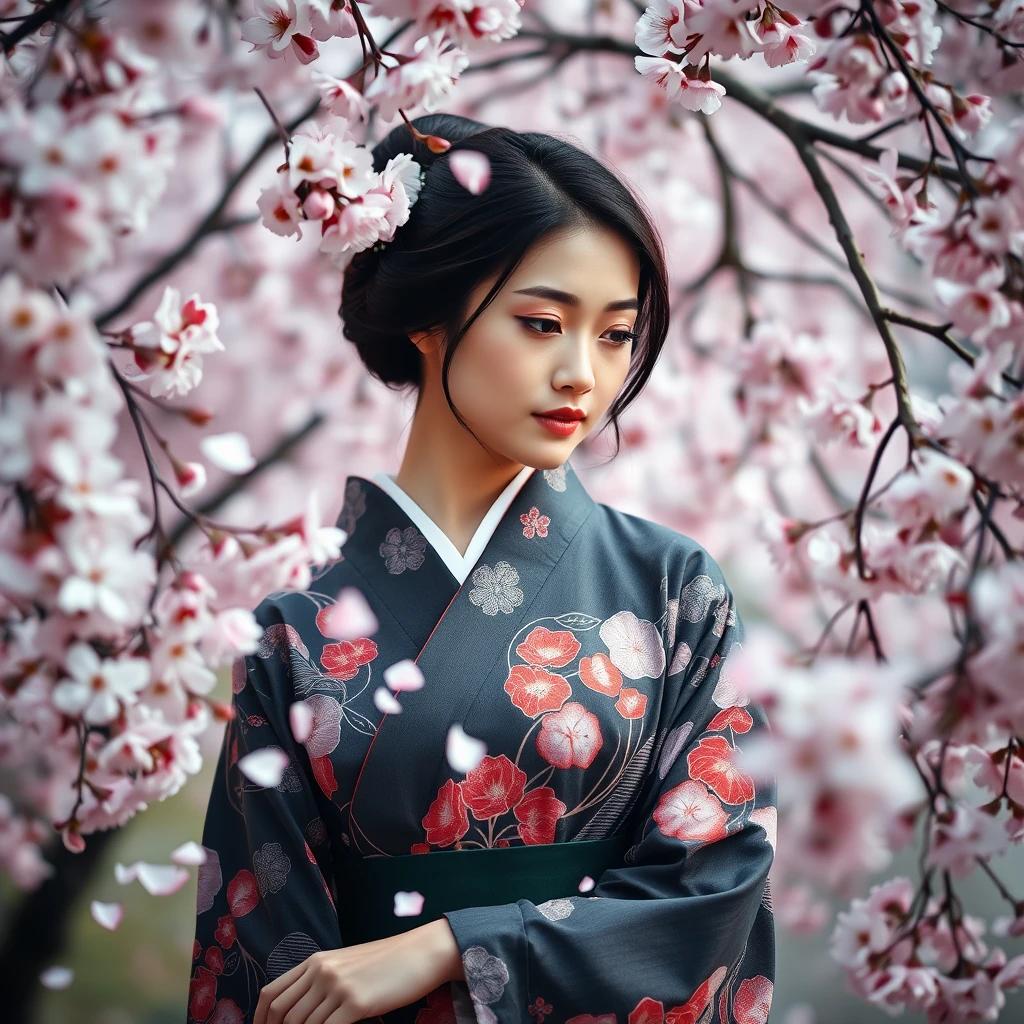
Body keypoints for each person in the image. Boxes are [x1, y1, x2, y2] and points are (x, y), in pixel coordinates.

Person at [187, 113, 776, 1024]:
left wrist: (453, 947)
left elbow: (717, 882)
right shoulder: (295, 631)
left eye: (616, 336)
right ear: (429, 317)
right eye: (543, 323)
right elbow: (264, 961)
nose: (583, 374)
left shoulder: (674, 590)